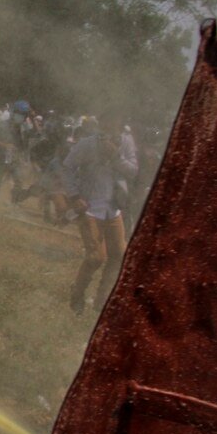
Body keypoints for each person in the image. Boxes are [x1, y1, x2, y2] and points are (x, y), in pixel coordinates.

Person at [62, 110, 138, 315]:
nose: (114, 126)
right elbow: (67, 167)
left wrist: (116, 157)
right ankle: (77, 296)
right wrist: (74, 195)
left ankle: (101, 301)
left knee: (118, 255)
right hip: (89, 208)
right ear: (102, 123)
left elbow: (132, 171)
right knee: (96, 258)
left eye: (118, 122)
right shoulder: (87, 144)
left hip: (114, 209)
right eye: (110, 121)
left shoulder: (126, 142)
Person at [0, 100, 29, 211]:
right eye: (19, 113)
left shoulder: (24, 128)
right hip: (0, 157)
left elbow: (25, 145)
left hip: (15, 159)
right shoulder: (2, 124)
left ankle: (13, 204)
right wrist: (4, 145)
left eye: (23, 115)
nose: (20, 117)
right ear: (13, 113)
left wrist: (24, 158)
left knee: (19, 181)